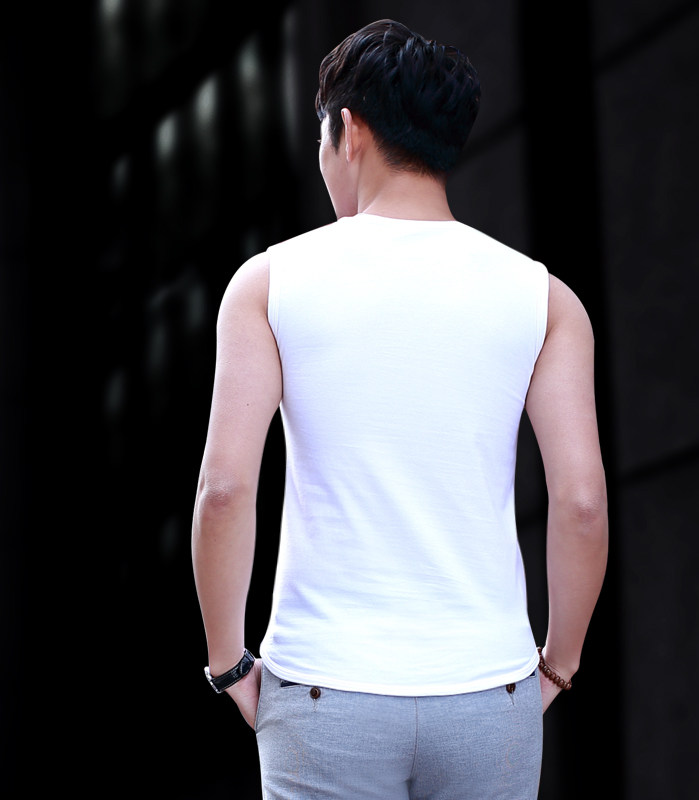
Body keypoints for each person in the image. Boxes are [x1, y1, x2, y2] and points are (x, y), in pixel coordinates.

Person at [192, 18, 608, 799]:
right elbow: (581, 503)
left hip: (323, 688)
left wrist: (228, 664)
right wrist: (557, 664)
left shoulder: (269, 283)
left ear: (347, 131)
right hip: (489, 687)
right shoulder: (546, 299)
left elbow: (224, 492)